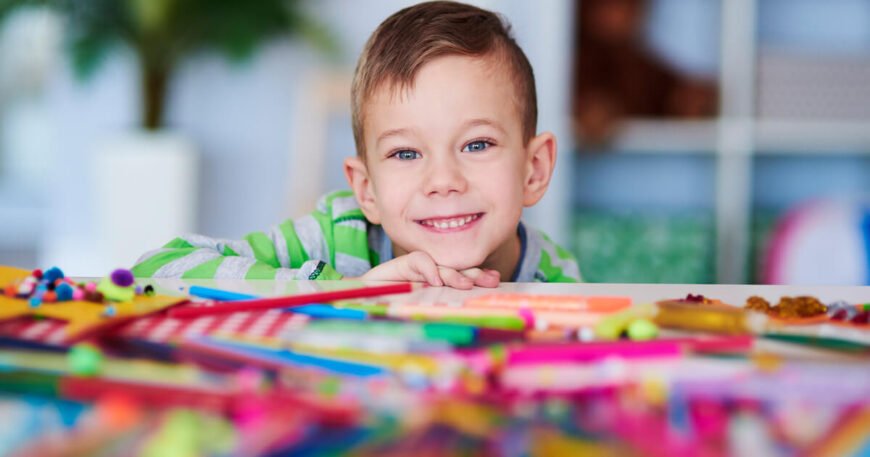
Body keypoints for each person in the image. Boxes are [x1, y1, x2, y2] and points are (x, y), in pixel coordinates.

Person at [132, 1, 581, 289]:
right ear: (366, 190)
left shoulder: (555, 279)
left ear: (534, 169)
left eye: (477, 145)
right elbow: (159, 267)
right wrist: (348, 290)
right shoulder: (338, 234)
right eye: (406, 153)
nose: (443, 181)